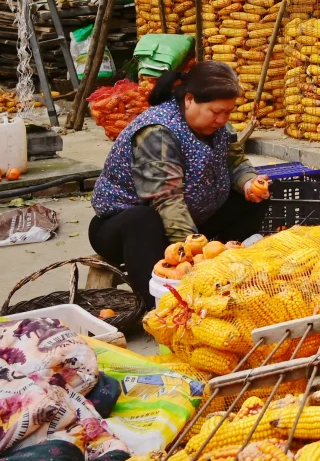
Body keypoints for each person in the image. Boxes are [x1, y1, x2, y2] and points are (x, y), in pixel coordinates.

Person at [89, 62, 270, 306]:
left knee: (253, 201)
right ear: (189, 100)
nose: (222, 118)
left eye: (227, 112)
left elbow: (235, 161)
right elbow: (167, 200)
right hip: (127, 229)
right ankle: (158, 304)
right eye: (216, 111)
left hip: (195, 218)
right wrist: (193, 258)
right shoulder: (158, 133)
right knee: (143, 219)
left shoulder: (218, 126)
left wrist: (249, 183)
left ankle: (225, 268)